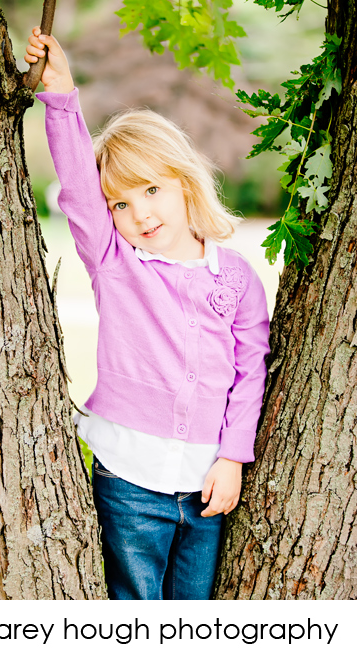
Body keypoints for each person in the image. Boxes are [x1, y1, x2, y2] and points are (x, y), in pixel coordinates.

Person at [25, 26, 270, 601]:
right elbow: (78, 188)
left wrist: (233, 457)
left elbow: (250, 371)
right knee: (136, 613)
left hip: (206, 486)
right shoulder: (116, 264)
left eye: (152, 191)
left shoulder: (236, 277)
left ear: (184, 183)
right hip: (129, 482)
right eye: (121, 202)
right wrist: (61, 96)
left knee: (191, 614)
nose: (140, 214)